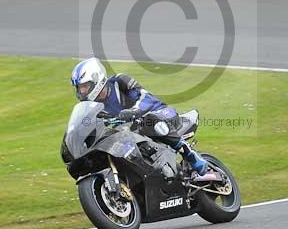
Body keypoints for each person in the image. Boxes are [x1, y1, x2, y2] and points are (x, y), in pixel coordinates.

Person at [70, 57, 209, 176]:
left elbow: (145, 97)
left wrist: (133, 110)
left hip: (161, 114)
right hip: (134, 132)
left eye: (84, 86)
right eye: (79, 88)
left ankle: (191, 156)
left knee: (152, 121)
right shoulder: (93, 106)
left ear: (96, 78)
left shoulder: (119, 81)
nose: (81, 92)